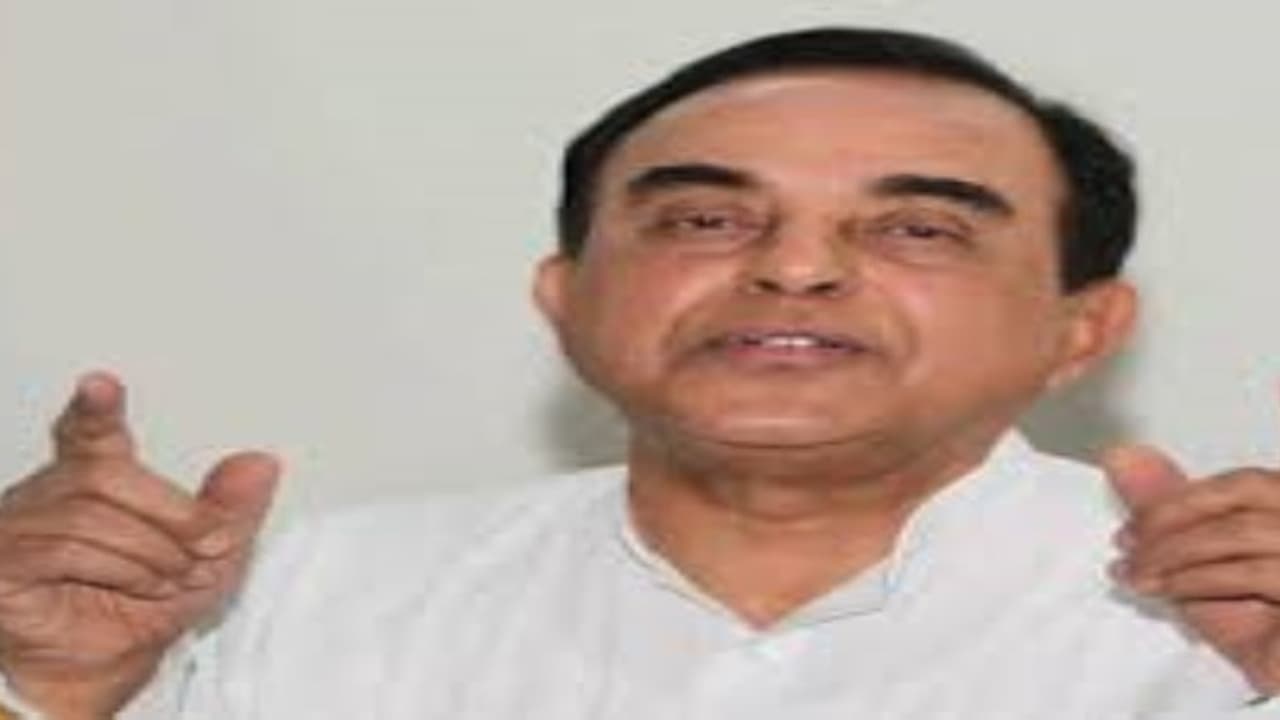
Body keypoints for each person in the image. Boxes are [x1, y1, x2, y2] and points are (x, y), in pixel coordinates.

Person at [1, 26, 1279, 719]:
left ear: (1080, 329)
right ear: (564, 298)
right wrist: (51, 694)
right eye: (703, 220)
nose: (792, 269)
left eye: (915, 229)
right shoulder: (323, 595)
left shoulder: (1233, 622)